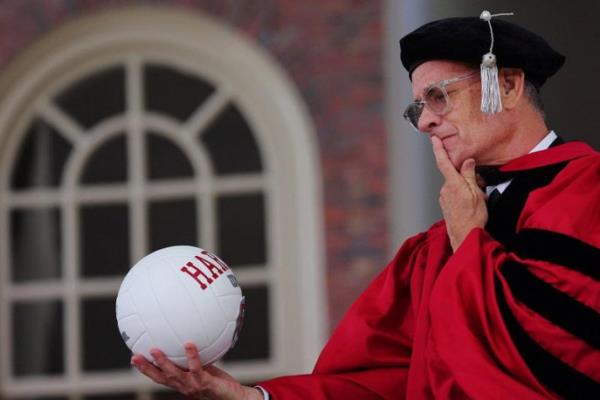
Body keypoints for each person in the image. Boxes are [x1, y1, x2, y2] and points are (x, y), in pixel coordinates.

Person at [131, 11, 600, 399]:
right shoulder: (435, 248)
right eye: (417, 108)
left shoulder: (587, 191)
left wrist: (470, 238)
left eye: (438, 97)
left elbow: (557, 353)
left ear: (511, 85)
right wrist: (250, 396)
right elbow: (373, 385)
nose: (424, 124)